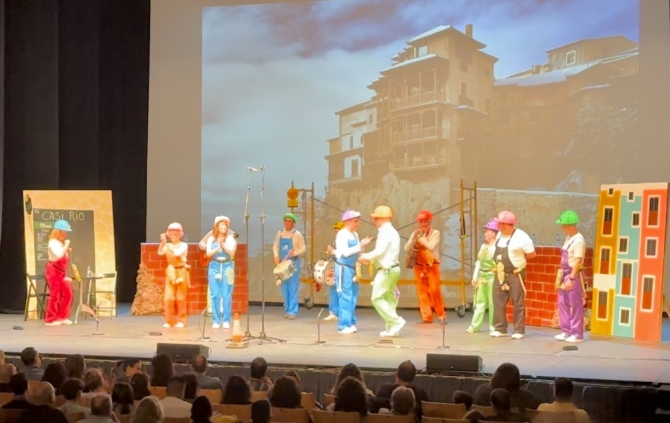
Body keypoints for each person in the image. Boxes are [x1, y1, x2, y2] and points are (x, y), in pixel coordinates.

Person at [359, 205, 405, 337]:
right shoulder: (392, 231)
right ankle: (392, 327)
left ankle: (395, 322)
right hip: (393, 268)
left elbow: (379, 251)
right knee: (389, 299)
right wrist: (370, 260)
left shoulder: (385, 232)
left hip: (386, 270)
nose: (374, 221)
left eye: (375, 218)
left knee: (377, 298)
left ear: (381, 219)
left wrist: (365, 256)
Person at [491, 211, 536, 339]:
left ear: (506, 225)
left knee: (518, 302)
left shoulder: (522, 237)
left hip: (515, 274)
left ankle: (518, 330)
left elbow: (532, 254)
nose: (498, 226)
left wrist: (520, 262)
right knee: (498, 301)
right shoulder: (500, 234)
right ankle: (500, 328)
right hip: (500, 273)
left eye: (500, 224)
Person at [327, 210, 372, 334]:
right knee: (345, 296)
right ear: (347, 222)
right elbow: (344, 252)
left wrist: (364, 249)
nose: (358, 223)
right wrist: (360, 245)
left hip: (353, 268)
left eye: (358, 221)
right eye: (355, 221)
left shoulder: (355, 235)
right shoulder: (342, 234)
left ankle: (351, 322)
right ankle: (343, 325)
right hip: (343, 268)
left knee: (353, 295)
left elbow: (356, 251)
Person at [404, 210, 445, 324]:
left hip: (432, 266)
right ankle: (426, 316)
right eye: (421, 221)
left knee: (434, 290)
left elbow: (431, 246)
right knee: (422, 293)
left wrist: (421, 239)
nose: (423, 224)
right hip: (419, 266)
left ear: (430, 221)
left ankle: (441, 315)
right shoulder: (416, 233)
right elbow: (407, 248)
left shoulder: (435, 233)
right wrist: (413, 238)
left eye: (425, 221)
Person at [554, 211, 587, 343]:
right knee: (562, 303)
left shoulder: (579, 241)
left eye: (564, 226)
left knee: (575, 304)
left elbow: (578, 261)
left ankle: (577, 333)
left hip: (572, 275)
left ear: (571, 225)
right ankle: (566, 331)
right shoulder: (568, 238)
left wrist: (572, 278)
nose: (562, 228)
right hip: (564, 274)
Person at [468, 219, 499, 334]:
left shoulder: (497, 247)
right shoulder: (483, 246)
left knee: (492, 302)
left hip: (492, 276)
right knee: (479, 302)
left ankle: (493, 326)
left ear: (494, 233)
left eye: (488, 231)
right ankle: (475, 326)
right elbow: (479, 262)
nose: (485, 233)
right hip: (482, 275)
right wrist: (475, 276)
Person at [205, 216, 237, 329]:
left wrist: (223, 244)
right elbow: (208, 254)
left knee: (227, 294)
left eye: (225, 225)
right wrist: (217, 246)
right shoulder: (211, 239)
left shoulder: (230, 238)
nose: (223, 227)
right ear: (216, 226)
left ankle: (226, 320)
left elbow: (232, 253)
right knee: (214, 294)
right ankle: (216, 320)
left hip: (228, 266)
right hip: (214, 266)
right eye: (221, 225)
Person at [272, 213, 306, 319]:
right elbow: (275, 245)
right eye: (286, 221)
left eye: (290, 221)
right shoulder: (280, 233)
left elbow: (303, 248)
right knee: (284, 287)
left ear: (293, 223)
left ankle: (293, 311)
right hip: (283, 263)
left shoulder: (297, 234)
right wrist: (276, 256)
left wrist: (294, 253)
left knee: (293, 287)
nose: (287, 223)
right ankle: (287, 309)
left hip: (293, 263)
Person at [158, 222, 190, 328]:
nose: (173, 235)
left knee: (180, 298)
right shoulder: (167, 245)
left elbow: (177, 253)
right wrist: (163, 242)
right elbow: (160, 253)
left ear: (180, 234)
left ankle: (182, 320)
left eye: (175, 233)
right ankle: (169, 321)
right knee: (168, 298)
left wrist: (166, 245)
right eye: (171, 233)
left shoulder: (184, 245)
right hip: (170, 272)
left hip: (181, 272)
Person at [45, 219, 74, 326]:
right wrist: (66, 246)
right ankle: (50, 319)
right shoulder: (52, 243)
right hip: (53, 271)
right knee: (55, 295)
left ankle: (62, 317)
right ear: (58, 232)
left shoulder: (59, 243)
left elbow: (62, 255)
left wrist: (66, 248)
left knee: (68, 294)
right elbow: (58, 256)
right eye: (64, 232)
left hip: (61, 272)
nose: (65, 234)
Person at [323, 221, 345, 322]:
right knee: (332, 290)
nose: (336, 232)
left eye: (338, 230)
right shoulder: (336, 241)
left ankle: (341, 313)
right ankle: (333, 312)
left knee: (341, 291)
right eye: (335, 231)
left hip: (341, 268)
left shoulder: (345, 240)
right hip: (334, 267)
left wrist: (332, 251)